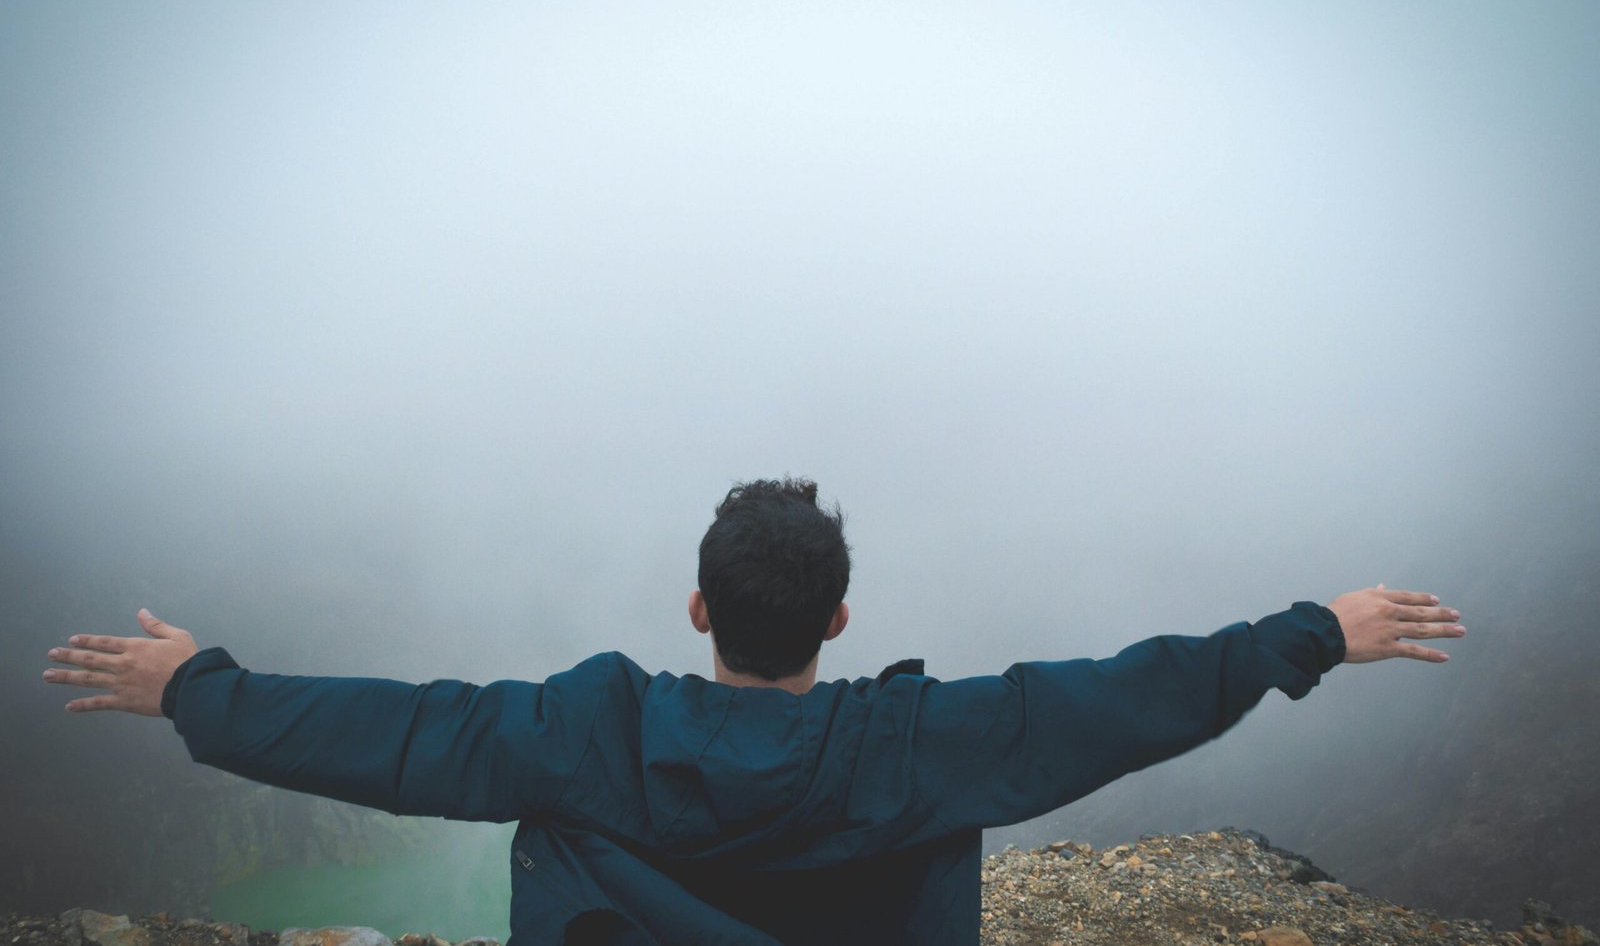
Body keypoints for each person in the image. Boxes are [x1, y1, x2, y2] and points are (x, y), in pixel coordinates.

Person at [42, 477, 1465, 945]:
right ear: (840, 621)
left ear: (697, 608)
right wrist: (1312, 636)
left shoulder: (582, 731)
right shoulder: (922, 744)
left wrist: (199, 693)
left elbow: (402, 733)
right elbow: (1119, 701)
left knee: (518, 794)